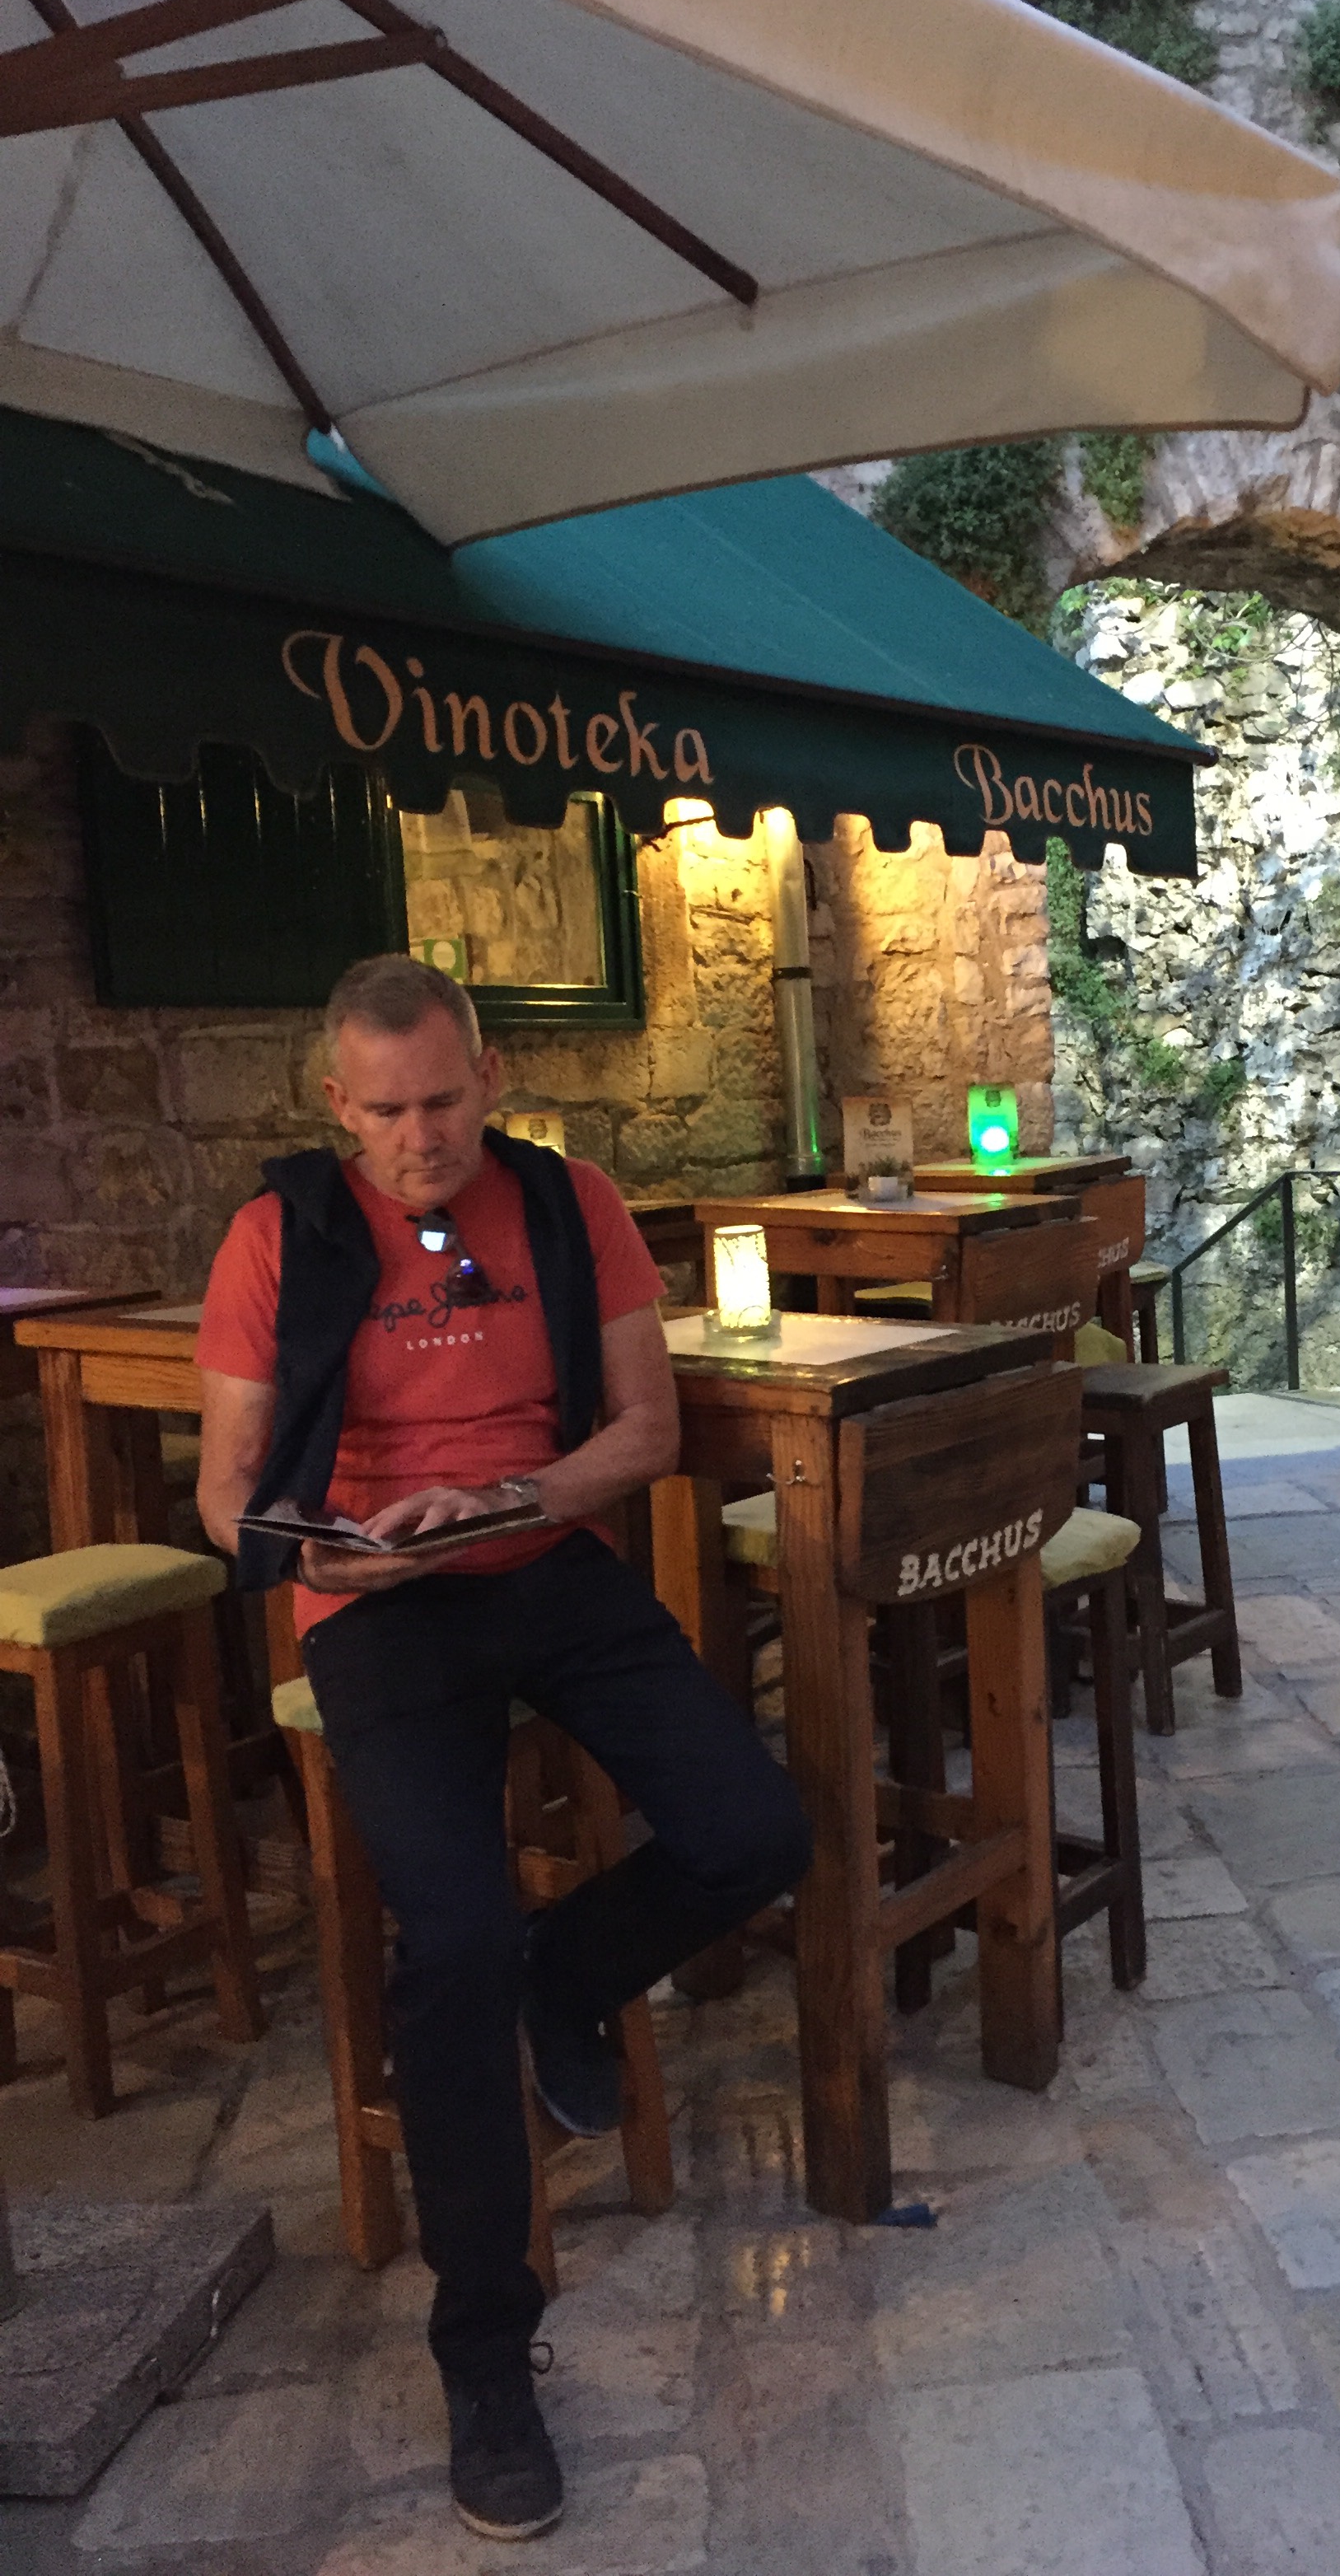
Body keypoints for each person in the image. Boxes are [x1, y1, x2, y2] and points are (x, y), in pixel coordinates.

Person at [196, 956, 810, 2544]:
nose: (421, 1138)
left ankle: (570, 1971)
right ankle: (485, 2355)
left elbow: (646, 1432)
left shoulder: (565, 1201)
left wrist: (512, 1499)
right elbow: (229, 1490)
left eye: (445, 1102)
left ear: (488, 1078)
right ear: (337, 1105)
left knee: (757, 1830)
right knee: (453, 1942)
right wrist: (329, 1557)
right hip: (377, 1610)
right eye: (388, 1111)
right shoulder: (278, 1236)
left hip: (545, 1563)